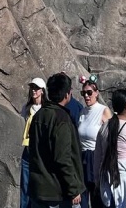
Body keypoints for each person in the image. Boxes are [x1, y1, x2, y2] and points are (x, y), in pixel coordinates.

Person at [28, 72, 85, 208]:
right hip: (57, 193)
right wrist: (73, 188)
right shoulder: (61, 119)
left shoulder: (38, 115)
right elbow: (62, 158)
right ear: (67, 94)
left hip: (38, 189)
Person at [77, 75, 112, 208]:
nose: (86, 96)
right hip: (83, 158)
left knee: (98, 198)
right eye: (83, 93)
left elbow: (110, 138)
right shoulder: (82, 112)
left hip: (96, 157)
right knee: (83, 198)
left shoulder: (103, 110)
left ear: (96, 93)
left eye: (89, 92)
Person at [21, 78, 47, 208]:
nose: (33, 90)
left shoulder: (45, 109)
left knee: (38, 185)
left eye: (36, 88)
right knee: (25, 185)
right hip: (28, 149)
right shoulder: (27, 108)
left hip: (40, 151)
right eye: (32, 87)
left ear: (42, 91)